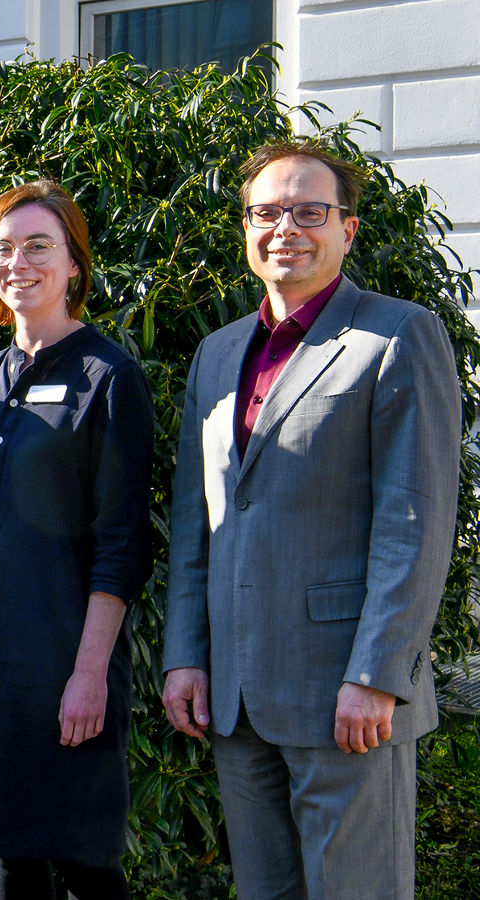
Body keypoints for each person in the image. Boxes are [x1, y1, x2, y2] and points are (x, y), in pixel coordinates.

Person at [160, 141, 460, 898]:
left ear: (347, 230)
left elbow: (415, 521)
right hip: (235, 697)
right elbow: (200, 526)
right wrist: (185, 655)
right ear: (246, 228)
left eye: (308, 211)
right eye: (265, 212)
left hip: (346, 699)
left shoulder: (397, 335)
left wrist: (377, 674)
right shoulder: (218, 353)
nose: (284, 227)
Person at [0, 180, 152, 900]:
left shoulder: (109, 375)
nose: (19, 262)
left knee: (83, 860)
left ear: (74, 263)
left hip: (65, 657)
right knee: (9, 851)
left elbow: (123, 542)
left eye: (38, 246)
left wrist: (88, 674)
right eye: (3, 248)